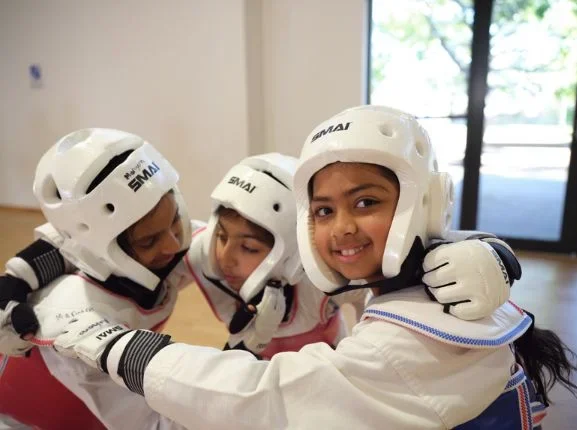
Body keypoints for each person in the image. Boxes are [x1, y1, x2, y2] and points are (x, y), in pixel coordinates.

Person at [48, 106, 577, 429]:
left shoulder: (381, 334)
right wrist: (31, 268)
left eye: (365, 202)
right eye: (324, 210)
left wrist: (116, 346)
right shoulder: (210, 256)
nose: (342, 228)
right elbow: (86, 242)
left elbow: (267, 400)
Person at [0, 128, 193, 429]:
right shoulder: (73, 317)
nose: (172, 245)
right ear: (100, 249)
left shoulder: (140, 252)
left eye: (174, 221)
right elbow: (152, 424)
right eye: (149, 241)